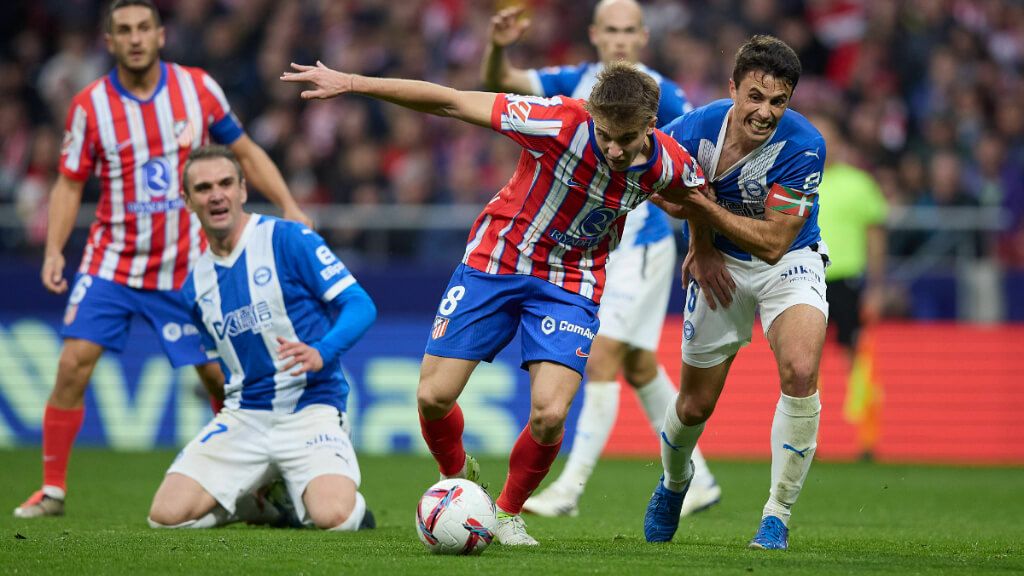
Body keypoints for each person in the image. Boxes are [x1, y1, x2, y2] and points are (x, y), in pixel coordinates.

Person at [282, 59, 708, 545]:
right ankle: (459, 477)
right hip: (496, 261)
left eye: (626, 138)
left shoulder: (670, 161)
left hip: (572, 280)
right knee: (432, 397)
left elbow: (696, 198)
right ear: (592, 114)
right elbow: (451, 99)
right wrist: (354, 82)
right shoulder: (557, 121)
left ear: (650, 127)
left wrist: (702, 247)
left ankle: (505, 512)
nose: (613, 148)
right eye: (605, 134)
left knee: (550, 415)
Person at [14, 0, 311, 519]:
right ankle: (53, 489)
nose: (134, 38)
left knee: (222, 380)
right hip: (113, 264)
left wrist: (288, 204)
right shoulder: (90, 105)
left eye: (143, 28)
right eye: (123, 30)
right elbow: (69, 182)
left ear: (161, 35)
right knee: (70, 366)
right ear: (110, 42)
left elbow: (243, 152)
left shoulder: (197, 89)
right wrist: (55, 249)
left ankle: (250, 486)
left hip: (188, 268)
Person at [481, 0, 720, 519]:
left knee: (604, 357)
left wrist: (698, 239)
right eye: (610, 30)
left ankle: (570, 488)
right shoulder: (574, 80)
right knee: (636, 363)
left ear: (642, 36)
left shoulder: (665, 94)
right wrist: (499, 43)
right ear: (595, 34)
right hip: (588, 247)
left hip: (641, 244)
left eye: (628, 31)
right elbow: (500, 79)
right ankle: (697, 478)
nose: (618, 40)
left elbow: (691, 172)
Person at [643, 35, 828, 550]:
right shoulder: (695, 127)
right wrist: (700, 245)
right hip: (719, 265)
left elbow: (773, 242)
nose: (765, 112)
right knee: (695, 405)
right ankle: (675, 483)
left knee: (800, 370)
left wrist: (699, 213)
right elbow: (659, 182)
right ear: (733, 90)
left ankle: (777, 514)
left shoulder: (805, 145)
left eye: (778, 101)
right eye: (755, 96)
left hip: (788, 264)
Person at [148, 145, 376, 531]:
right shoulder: (195, 286)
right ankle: (260, 502)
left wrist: (322, 352)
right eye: (203, 188)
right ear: (187, 200)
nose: (216, 194)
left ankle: (326, 499)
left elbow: (360, 305)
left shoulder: (288, 240)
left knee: (334, 518)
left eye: (225, 183)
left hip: (311, 408)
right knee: (164, 517)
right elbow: (218, 371)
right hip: (246, 415)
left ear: (242, 189)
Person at [811, 113, 888, 460]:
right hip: (807, 278)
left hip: (847, 280)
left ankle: (867, 439)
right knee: (805, 358)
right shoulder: (799, 181)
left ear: (839, 143)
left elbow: (875, 238)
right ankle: (807, 436)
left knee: (858, 357)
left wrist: (876, 285)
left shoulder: (859, 184)